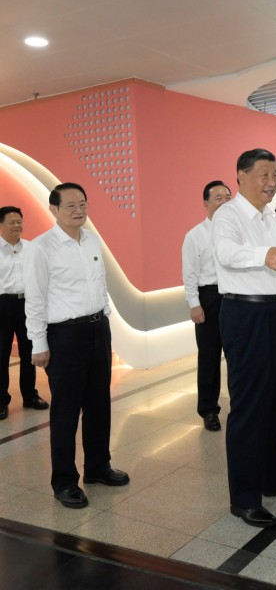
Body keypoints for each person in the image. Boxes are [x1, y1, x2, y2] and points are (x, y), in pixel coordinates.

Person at [213, 149, 276, 528]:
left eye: (275, 175)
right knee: (249, 405)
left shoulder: (270, 214)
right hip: (247, 314)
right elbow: (225, 252)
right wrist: (265, 253)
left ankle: (275, 476)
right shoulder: (228, 214)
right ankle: (243, 497)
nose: (272, 182)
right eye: (263, 174)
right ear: (240, 176)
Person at [25, 183, 128, 509]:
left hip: (98, 330)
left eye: (82, 204)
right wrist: (38, 344)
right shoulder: (41, 248)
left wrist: (106, 317)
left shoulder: (91, 239)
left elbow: (99, 283)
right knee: (67, 410)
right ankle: (65, 481)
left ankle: (98, 467)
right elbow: (35, 299)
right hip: (65, 336)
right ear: (53, 210)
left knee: (99, 404)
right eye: (70, 205)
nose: (78, 211)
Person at [181, 181, 231, 432]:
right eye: (218, 197)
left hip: (234, 296)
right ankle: (209, 410)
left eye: (227, 197)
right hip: (209, 298)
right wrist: (195, 304)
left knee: (237, 355)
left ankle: (241, 402)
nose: (224, 201)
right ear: (206, 204)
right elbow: (189, 274)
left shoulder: (236, 232)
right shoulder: (195, 235)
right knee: (209, 357)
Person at [1, 206, 49, 420]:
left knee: (29, 351)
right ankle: (1, 401)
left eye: (19, 221)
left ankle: (30, 396)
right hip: (2, 305)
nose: (17, 225)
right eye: (11, 222)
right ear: (1, 225)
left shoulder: (32, 248)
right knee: (1, 354)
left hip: (27, 304)